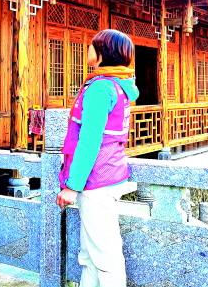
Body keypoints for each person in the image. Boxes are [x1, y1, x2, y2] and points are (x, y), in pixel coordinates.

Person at [56, 29, 139, 287]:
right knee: (90, 255)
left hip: (96, 178)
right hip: (109, 170)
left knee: (105, 256)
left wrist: (73, 185)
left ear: (102, 52)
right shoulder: (117, 84)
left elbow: (90, 140)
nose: (88, 49)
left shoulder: (101, 88)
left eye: (92, 46)